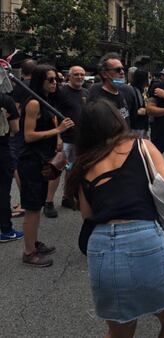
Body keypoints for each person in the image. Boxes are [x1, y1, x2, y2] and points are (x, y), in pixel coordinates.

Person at [67, 100, 164, 338]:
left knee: (119, 330)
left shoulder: (83, 164)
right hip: (144, 236)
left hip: (100, 245)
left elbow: (87, 215)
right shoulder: (141, 146)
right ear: (117, 121)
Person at [19, 64, 75, 267]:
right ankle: (29, 252)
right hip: (31, 161)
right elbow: (28, 136)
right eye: (50, 80)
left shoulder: (46, 101)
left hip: (43, 158)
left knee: (38, 204)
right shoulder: (33, 103)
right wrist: (58, 130)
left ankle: (33, 243)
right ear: (39, 81)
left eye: (57, 80)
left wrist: (57, 136)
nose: (55, 83)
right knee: (32, 208)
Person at [56, 65, 88, 210]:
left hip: (80, 139)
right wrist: (58, 136)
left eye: (82, 74)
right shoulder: (61, 92)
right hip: (64, 139)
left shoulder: (86, 92)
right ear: (69, 76)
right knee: (56, 169)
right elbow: (54, 116)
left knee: (73, 170)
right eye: (76, 74)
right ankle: (49, 201)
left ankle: (67, 197)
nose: (80, 77)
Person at [10, 58, 37, 218]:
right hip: (34, 130)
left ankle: (24, 201)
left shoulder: (19, 87)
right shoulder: (37, 87)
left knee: (17, 166)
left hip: (20, 131)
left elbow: (16, 109)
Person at [0, 93, 24, 242]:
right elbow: (15, 129)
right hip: (2, 149)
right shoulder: (4, 99)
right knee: (2, 190)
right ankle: (6, 230)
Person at [87, 53, 131, 127]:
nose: (122, 72)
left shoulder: (121, 92)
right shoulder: (97, 99)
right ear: (104, 74)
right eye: (117, 70)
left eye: (123, 69)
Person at [130, 69, 150, 138]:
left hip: (143, 126)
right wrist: (136, 112)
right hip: (136, 128)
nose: (149, 80)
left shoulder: (142, 90)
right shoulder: (132, 90)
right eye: (148, 77)